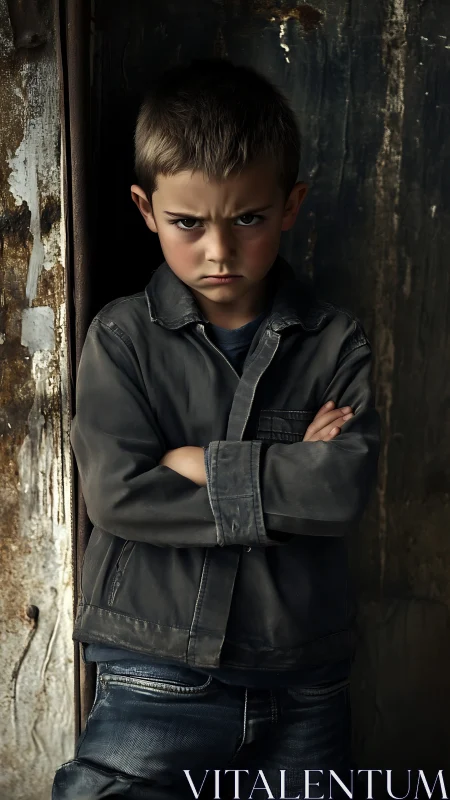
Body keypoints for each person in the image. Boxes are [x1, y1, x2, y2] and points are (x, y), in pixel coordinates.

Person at [52, 58, 380, 800]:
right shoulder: (122, 339)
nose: (219, 250)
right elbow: (119, 497)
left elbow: (339, 492)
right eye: (188, 223)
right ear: (145, 208)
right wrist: (284, 469)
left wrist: (202, 461)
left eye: (249, 219)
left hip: (306, 673)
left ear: (290, 205)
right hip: (154, 665)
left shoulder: (334, 341)